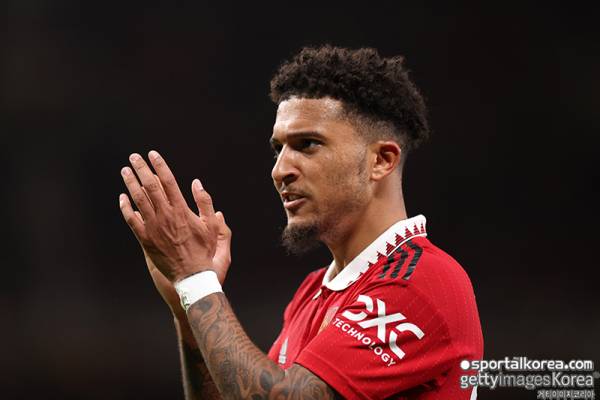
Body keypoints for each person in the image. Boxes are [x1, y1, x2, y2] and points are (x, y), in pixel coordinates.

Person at [118, 45, 483, 400]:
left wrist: (195, 278)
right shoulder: (312, 292)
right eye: (278, 149)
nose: (280, 170)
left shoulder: (422, 282)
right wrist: (189, 309)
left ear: (381, 160)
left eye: (307, 144)